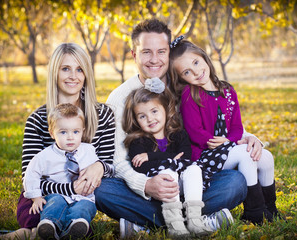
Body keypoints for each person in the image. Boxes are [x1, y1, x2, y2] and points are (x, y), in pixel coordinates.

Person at [97, 18, 262, 237]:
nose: (154, 59)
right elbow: (117, 161)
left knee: (235, 182)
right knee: (104, 190)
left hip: (191, 180)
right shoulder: (119, 98)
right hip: (146, 182)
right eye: (146, 52)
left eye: (161, 51)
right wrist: (146, 185)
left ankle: (147, 224)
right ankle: (199, 219)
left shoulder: (188, 85)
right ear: (134, 55)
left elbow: (218, 122)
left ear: (169, 53)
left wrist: (247, 136)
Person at [169, 37, 279, 224]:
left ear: (204, 57)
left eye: (196, 62)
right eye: (187, 72)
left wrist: (230, 141)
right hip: (205, 154)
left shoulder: (228, 91)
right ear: (182, 78)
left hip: (227, 147)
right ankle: (254, 212)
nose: (196, 72)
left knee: (266, 158)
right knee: (246, 155)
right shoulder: (191, 94)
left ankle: (271, 208)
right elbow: (194, 131)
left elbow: (236, 127)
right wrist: (217, 141)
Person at [14, 43, 116, 237]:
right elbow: (30, 176)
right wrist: (68, 188)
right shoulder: (37, 119)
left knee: (106, 191)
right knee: (31, 211)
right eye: (65, 69)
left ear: (86, 74)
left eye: (79, 69)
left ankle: (36, 233)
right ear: (55, 73)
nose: (73, 76)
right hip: (53, 191)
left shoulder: (103, 114)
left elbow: (111, 166)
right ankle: (51, 229)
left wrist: (99, 167)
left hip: (89, 190)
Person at [123, 80, 232, 236]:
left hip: (187, 185)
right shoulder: (138, 141)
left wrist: (151, 156)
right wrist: (172, 160)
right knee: (169, 172)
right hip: (160, 191)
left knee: (194, 168)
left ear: (165, 110)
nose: (150, 119)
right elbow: (140, 167)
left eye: (154, 111)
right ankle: (175, 224)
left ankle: (195, 220)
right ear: (136, 119)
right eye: (142, 116)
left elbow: (186, 159)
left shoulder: (179, 134)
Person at [24, 103, 98, 239]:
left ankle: (75, 226)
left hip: (83, 196)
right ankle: (49, 225)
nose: (70, 137)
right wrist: (36, 197)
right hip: (57, 194)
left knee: (84, 207)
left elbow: (103, 169)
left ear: (83, 131)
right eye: (63, 132)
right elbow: (31, 174)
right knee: (54, 204)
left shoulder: (89, 151)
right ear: (52, 133)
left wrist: (97, 175)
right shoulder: (44, 156)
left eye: (75, 132)